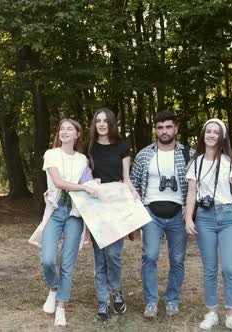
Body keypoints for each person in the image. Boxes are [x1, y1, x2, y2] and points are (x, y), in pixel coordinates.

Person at [184, 118, 232, 332]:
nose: (211, 135)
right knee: (209, 268)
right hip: (205, 218)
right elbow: (191, 192)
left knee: (229, 268)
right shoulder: (195, 162)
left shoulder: (228, 162)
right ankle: (212, 313)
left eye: (216, 132)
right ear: (203, 134)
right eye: (208, 131)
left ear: (221, 137)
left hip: (227, 217)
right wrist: (189, 218)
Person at [28, 118, 98, 327]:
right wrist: (85, 187)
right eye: (62, 129)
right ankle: (53, 289)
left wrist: (93, 186)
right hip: (56, 211)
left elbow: (89, 183)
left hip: (75, 215)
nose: (65, 132)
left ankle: (61, 307)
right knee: (48, 259)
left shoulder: (82, 160)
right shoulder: (51, 155)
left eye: (70, 129)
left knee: (68, 263)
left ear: (77, 135)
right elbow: (58, 183)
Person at [130, 110, 194, 318]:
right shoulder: (144, 155)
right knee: (149, 256)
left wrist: (190, 209)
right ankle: (151, 302)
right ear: (155, 130)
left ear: (176, 128)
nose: (164, 131)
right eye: (160, 127)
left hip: (179, 214)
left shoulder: (189, 154)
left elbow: (197, 186)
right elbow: (133, 184)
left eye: (168, 127)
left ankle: (172, 300)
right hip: (151, 213)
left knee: (177, 259)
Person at [87, 107, 139, 321]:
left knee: (114, 254)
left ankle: (116, 291)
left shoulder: (123, 147)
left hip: (117, 204)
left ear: (111, 123)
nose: (101, 124)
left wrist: (134, 194)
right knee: (100, 257)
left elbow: (126, 179)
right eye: (97, 120)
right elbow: (85, 177)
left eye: (105, 121)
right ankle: (102, 302)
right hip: (96, 206)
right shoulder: (88, 148)